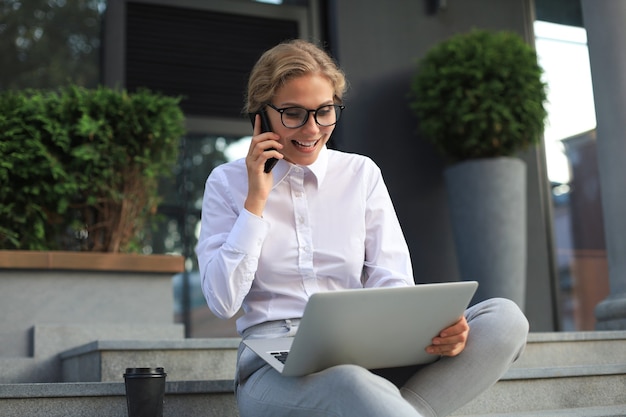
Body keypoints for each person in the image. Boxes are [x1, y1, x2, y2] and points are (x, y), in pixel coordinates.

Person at [196, 39, 529, 417]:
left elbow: (393, 279)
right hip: (273, 369)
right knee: (350, 382)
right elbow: (222, 302)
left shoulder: (361, 173)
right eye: (293, 113)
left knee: (504, 320)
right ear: (261, 115)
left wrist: (430, 332)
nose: (312, 129)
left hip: (367, 351)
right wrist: (255, 200)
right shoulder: (226, 183)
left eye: (324, 111)